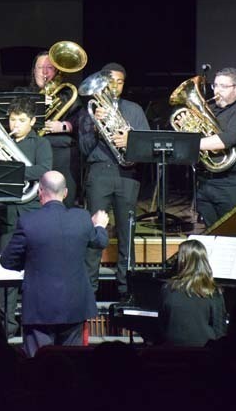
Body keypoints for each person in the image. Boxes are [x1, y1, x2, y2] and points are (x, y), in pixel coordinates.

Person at [0, 171, 109, 356]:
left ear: (40, 192)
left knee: (38, 366)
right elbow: (100, 241)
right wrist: (99, 225)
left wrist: (30, 261)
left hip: (39, 309)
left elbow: (8, 261)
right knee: (74, 363)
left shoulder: (27, 222)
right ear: (65, 193)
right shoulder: (82, 218)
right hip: (74, 306)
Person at [78, 62, 149, 300]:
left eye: (120, 82)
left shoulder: (135, 109)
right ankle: (89, 289)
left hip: (127, 175)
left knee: (126, 234)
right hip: (100, 173)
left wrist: (130, 141)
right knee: (94, 232)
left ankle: (125, 289)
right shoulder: (89, 111)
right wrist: (97, 129)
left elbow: (146, 147)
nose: (115, 86)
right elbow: (84, 149)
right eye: (111, 81)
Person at [0, 96, 53, 338]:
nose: (15, 124)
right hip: (6, 212)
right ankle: (5, 326)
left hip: (32, 213)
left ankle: (34, 325)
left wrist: (15, 170)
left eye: (21, 120)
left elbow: (44, 170)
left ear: (33, 122)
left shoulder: (40, 144)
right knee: (4, 274)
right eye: (12, 119)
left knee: (35, 273)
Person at [196, 67, 236, 227]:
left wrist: (188, 144)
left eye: (223, 86)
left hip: (235, 185)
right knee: (212, 235)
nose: (217, 90)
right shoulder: (210, 110)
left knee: (235, 236)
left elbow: (225, 140)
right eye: (215, 85)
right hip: (207, 183)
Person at [26, 50, 81, 207]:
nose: (44, 72)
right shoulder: (24, 94)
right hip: (32, 154)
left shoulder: (67, 94)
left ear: (56, 71)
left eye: (49, 67)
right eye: (39, 67)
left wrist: (64, 126)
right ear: (33, 71)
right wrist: (38, 104)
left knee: (63, 204)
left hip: (61, 155)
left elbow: (83, 121)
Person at [159, 239, 227, 346]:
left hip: (173, 352)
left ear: (182, 261)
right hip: (204, 353)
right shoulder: (213, 291)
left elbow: (162, 325)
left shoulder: (168, 288)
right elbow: (219, 331)